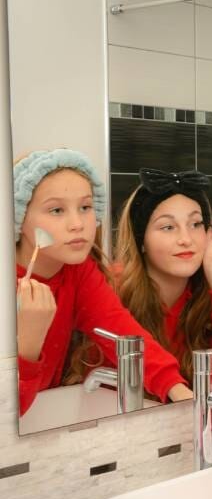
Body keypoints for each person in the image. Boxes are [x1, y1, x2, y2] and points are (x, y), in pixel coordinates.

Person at [15, 149, 190, 415]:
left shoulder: (78, 272)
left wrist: (177, 390)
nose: (78, 224)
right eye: (56, 210)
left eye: (85, 207)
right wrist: (28, 345)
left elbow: (123, 332)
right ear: (18, 216)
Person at [114, 168, 212, 382]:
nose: (186, 239)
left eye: (195, 224)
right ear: (141, 240)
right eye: (168, 227)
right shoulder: (113, 291)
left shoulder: (208, 293)